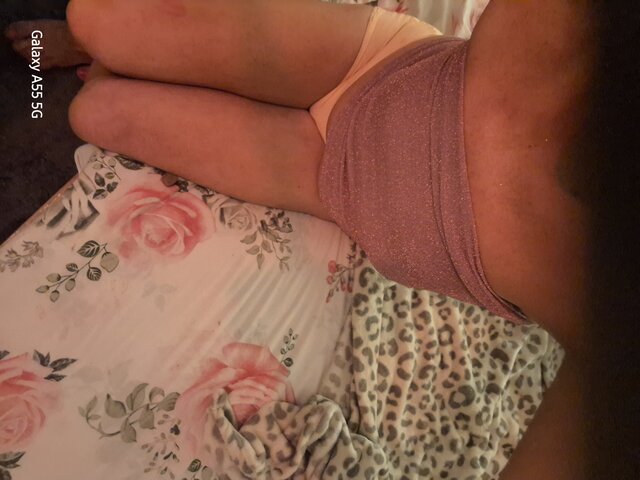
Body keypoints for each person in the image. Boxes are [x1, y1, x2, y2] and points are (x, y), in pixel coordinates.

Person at [65, 0, 597, 477]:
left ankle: (91, 68)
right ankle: (70, 61)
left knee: (93, 111)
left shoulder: (618, 337)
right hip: (384, 65)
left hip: (325, 179)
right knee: (91, 19)